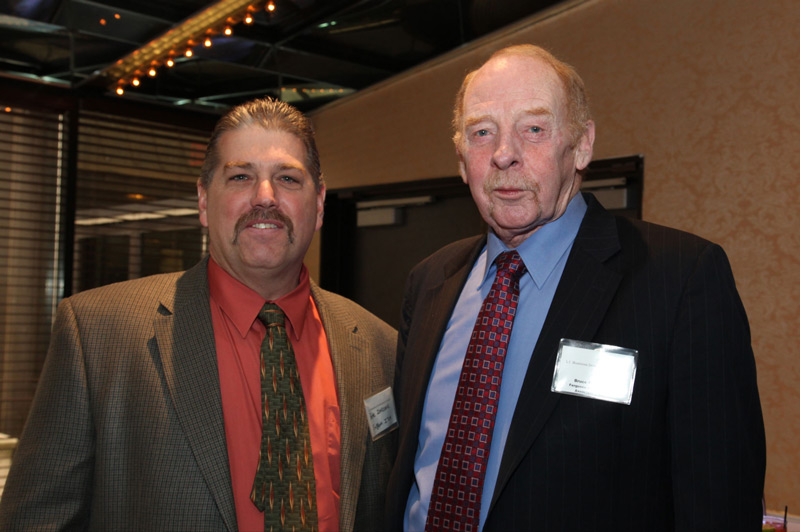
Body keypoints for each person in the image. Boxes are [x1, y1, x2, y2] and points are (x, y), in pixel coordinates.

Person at [385, 44, 766, 531]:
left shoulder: (680, 280)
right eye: (482, 132)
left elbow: (720, 503)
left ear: (582, 145)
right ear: (462, 160)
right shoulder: (429, 282)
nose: (504, 154)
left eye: (534, 129)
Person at [0, 98, 397, 532]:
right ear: (204, 201)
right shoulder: (96, 334)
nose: (265, 197)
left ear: (318, 204)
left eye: (287, 178)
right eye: (241, 176)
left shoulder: (381, 346)